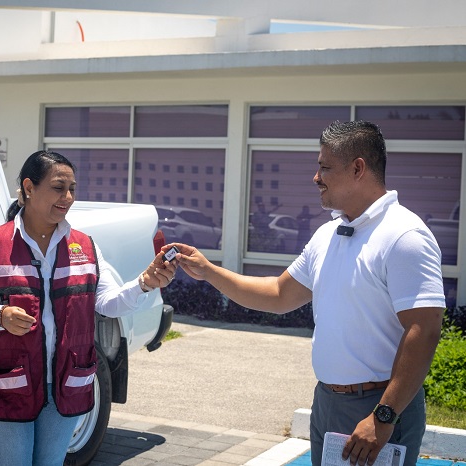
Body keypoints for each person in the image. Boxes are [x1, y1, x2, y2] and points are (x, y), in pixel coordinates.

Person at [170, 120, 445, 466]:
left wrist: (383, 417)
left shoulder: (404, 236)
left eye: (324, 167)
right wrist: (209, 272)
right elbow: (278, 294)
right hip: (327, 404)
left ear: (358, 168)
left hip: (378, 410)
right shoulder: (329, 234)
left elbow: (424, 329)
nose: (316, 178)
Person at [0, 150, 177, 466]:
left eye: (72, 188)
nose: (68, 197)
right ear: (29, 187)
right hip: (7, 382)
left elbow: (109, 304)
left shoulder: (85, 247)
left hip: (66, 383)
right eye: (58, 187)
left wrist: (145, 283)